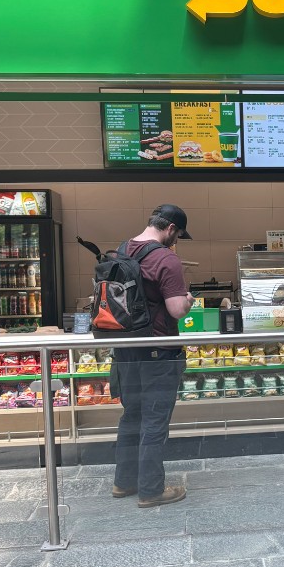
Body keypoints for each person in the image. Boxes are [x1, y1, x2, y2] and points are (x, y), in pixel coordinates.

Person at [111, 204, 194, 508]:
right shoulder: (165, 258)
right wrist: (188, 300)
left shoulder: (121, 251)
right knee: (155, 420)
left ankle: (123, 482)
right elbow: (176, 310)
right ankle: (151, 490)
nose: (177, 240)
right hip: (158, 353)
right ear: (170, 228)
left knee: (131, 416)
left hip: (125, 352)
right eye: (179, 234)